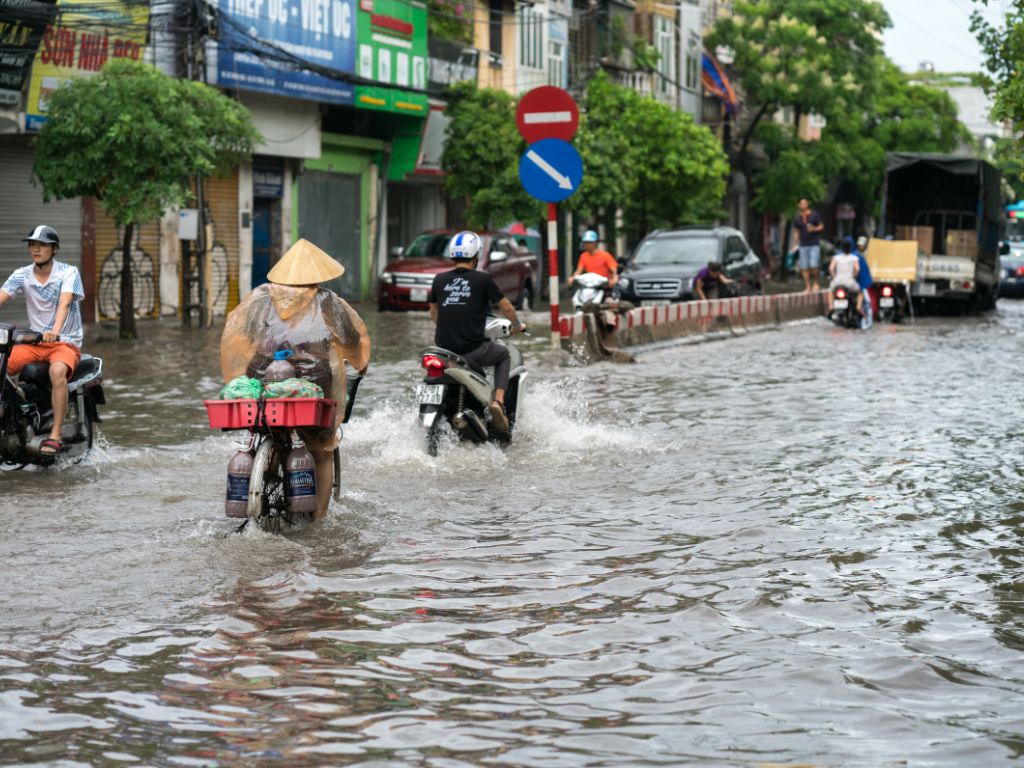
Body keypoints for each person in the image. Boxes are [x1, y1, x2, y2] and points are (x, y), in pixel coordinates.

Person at [220, 238, 371, 520]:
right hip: (312, 386)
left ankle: (267, 470)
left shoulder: (260, 298)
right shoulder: (328, 301)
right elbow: (353, 341)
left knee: (268, 425)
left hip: (262, 382)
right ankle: (318, 519)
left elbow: (240, 338)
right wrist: (360, 364)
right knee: (322, 449)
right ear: (317, 275)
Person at [428, 231, 526, 435]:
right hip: (472, 350)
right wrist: (516, 325)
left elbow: (434, 313)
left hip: (444, 351)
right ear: (475, 256)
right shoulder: (483, 280)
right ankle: (498, 401)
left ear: (453, 255)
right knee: (503, 354)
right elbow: (506, 306)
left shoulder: (439, 279)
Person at [0, 225, 85, 457]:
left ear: (54, 249)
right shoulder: (22, 275)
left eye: (42, 245)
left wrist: (55, 331)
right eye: (32, 244)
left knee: (57, 372)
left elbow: (65, 304)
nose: (36, 249)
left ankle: (55, 434)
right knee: (2, 365)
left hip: (63, 341)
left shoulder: (68, 273)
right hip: (34, 343)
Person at [790, 197, 824, 293]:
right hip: (803, 244)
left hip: (814, 243)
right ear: (799, 205)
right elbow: (796, 231)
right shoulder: (797, 218)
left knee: (813, 265)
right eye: (802, 203)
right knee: (804, 266)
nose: (804, 205)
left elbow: (821, 226)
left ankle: (816, 283)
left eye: (805, 203)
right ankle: (807, 286)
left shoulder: (814, 215)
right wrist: (795, 242)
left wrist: (814, 229)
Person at [827, 238, 863, 316]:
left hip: (837, 281)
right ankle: (859, 307)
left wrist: (834, 277)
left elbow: (831, 268)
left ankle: (830, 307)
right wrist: (853, 276)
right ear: (850, 248)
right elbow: (857, 269)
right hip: (849, 282)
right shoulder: (854, 258)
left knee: (830, 291)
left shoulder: (836, 258)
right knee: (860, 292)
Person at [854, 235, 874, 327]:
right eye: (859, 245)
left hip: (859, 284)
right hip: (859, 284)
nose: (860, 247)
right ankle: (868, 321)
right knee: (867, 302)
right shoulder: (857, 256)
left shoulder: (866, 255)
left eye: (862, 245)